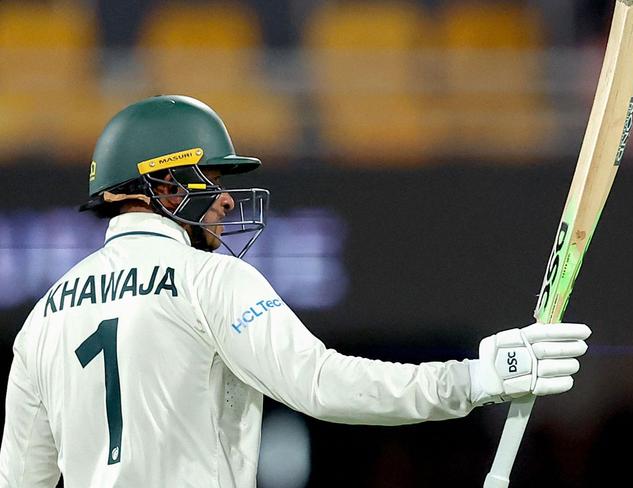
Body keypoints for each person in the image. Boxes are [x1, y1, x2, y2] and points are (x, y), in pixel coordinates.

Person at [0, 95, 591, 488]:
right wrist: (476, 380)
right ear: (161, 182)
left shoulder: (41, 321)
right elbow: (322, 384)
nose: (227, 198)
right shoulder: (211, 280)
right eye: (211, 176)